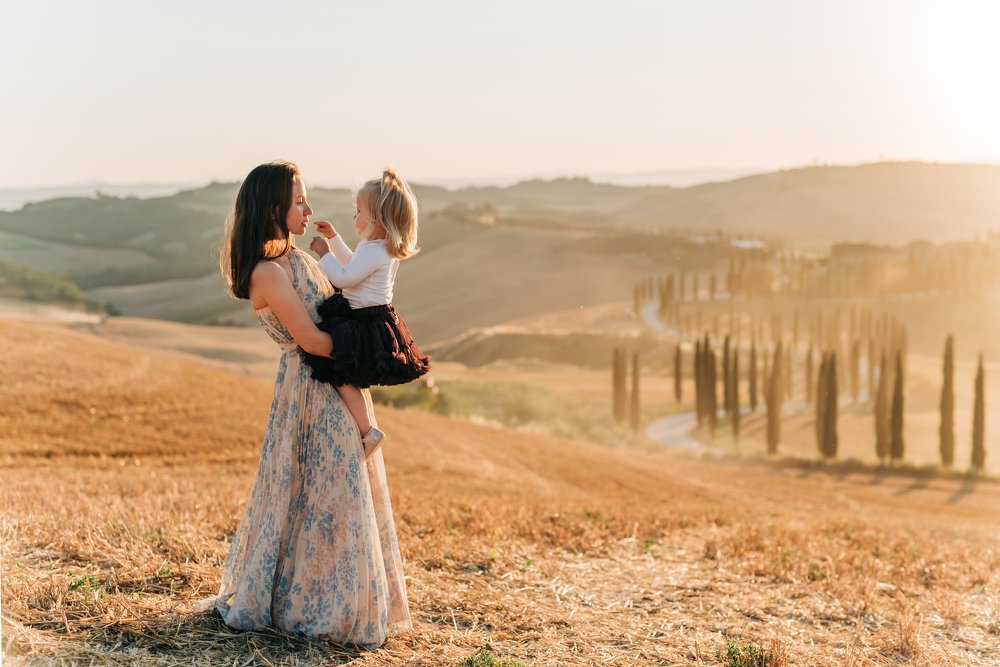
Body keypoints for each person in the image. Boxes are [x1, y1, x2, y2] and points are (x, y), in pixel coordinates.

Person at [197, 161, 411, 647]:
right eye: (298, 201)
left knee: (341, 497)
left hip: (333, 383)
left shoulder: (298, 258)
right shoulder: (267, 272)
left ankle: (337, 604)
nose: (308, 209)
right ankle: (312, 608)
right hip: (310, 391)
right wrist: (370, 352)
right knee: (322, 498)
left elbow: (345, 296)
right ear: (273, 207)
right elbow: (313, 340)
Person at [303, 168, 431, 459]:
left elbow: (345, 279)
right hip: (366, 317)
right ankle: (365, 428)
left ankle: (368, 431)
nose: (355, 217)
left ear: (380, 220)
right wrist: (334, 239)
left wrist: (324, 255)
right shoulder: (374, 248)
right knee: (344, 374)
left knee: (342, 373)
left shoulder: (377, 252)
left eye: (360, 211)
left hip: (364, 322)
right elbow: (351, 265)